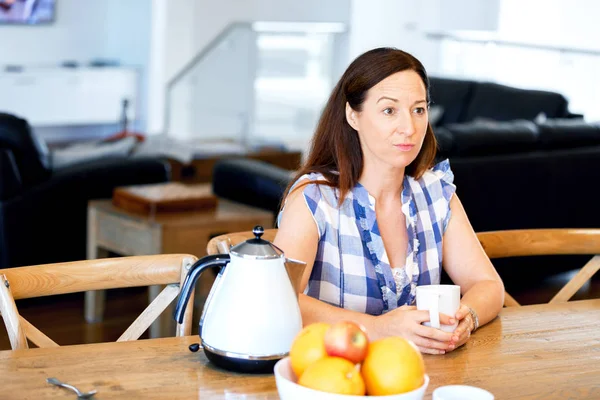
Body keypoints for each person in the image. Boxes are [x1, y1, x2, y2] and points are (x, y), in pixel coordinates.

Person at [274, 47, 505, 355]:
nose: (409, 128)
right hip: (333, 375)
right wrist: (378, 328)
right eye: (389, 111)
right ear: (352, 115)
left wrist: (466, 318)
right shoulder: (314, 198)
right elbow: (281, 298)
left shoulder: (435, 193)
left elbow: (488, 285)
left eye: (418, 110)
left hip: (415, 378)